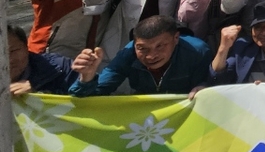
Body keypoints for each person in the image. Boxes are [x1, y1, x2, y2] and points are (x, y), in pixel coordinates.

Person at [70, 15, 212, 97]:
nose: (151, 56)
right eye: (142, 48)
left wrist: (204, 88)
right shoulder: (128, 53)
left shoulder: (198, 52)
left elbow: (215, 85)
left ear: (176, 38)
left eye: (160, 46)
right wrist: (86, 78)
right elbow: (91, 98)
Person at [211, 0, 265, 85]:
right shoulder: (243, 47)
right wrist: (223, 48)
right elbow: (217, 79)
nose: (264, 32)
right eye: (258, 27)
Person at [8, 25, 76, 95]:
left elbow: (83, 99)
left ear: (26, 48)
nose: (9, 60)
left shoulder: (59, 68)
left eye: (13, 50)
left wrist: (37, 94)